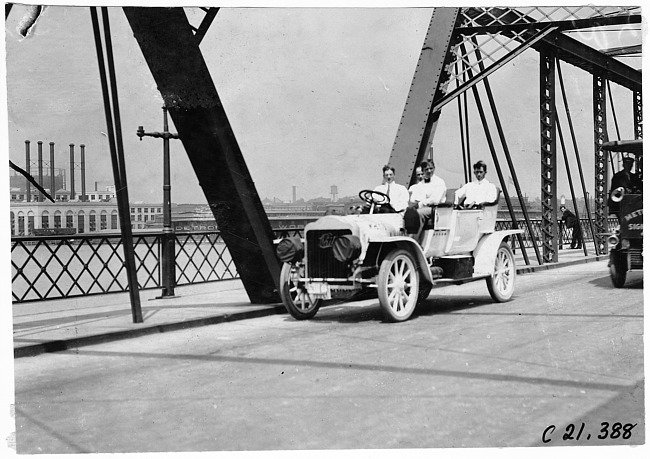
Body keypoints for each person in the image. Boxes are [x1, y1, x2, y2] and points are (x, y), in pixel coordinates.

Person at [405, 159, 447, 237]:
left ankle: (414, 239)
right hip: (423, 207)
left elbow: (435, 200)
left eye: (431, 168)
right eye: (426, 169)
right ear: (423, 170)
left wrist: (421, 203)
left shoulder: (439, 182)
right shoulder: (421, 184)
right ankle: (406, 237)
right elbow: (413, 198)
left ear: (434, 168)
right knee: (407, 212)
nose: (429, 171)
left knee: (418, 213)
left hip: (436, 209)